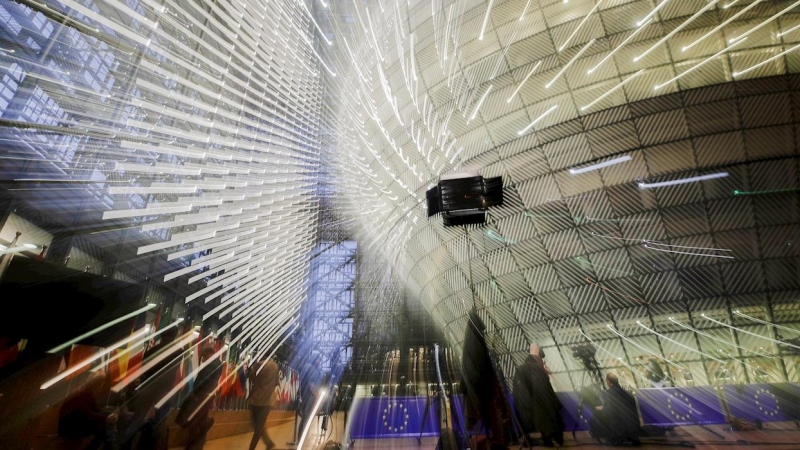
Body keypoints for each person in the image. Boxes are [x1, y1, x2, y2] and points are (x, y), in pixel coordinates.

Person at [512, 343, 564, 447]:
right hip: (541, 403)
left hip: (529, 405)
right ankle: (549, 438)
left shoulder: (523, 368)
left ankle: (540, 438)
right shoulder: (536, 368)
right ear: (537, 350)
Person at [176, 346, 222, 450]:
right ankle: (197, 445)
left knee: (193, 420)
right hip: (208, 395)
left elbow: (203, 379)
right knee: (200, 420)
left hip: (202, 395)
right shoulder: (217, 363)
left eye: (204, 357)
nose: (203, 359)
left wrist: (195, 392)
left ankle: (193, 445)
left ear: (209, 354)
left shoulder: (212, 364)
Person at [58, 370, 118, 450]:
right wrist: (106, 418)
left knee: (106, 425)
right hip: (70, 428)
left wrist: (108, 415)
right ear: (97, 384)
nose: (102, 385)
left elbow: (95, 409)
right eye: (101, 383)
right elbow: (86, 413)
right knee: (104, 427)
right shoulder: (83, 394)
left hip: (77, 422)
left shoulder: (87, 391)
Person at [590, 372, 640, 446]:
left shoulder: (610, 392)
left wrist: (602, 409)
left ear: (609, 382)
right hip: (634, 426)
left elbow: (611, 410)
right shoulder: (627, 392)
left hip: (622, 426)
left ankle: (614, 438)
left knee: (597, 414)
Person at [248, 357, 279, 450]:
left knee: (257, 425)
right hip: (268, 400)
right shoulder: (275, 366)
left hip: (256, 398)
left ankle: (252, 447)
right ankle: (269, 443)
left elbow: (251, 377)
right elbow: (276, 382)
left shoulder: (259, 364)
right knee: (259, 425)